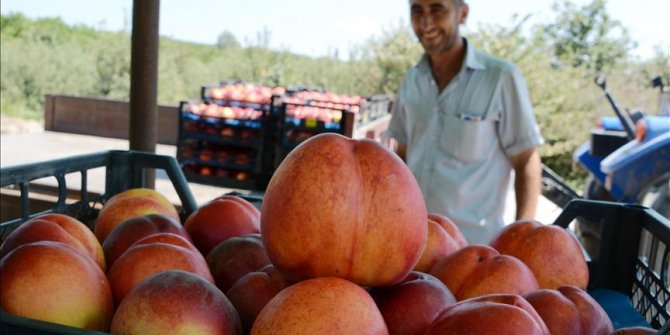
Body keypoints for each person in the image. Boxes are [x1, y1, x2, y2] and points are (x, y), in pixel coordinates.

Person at [385, 0, 544, 244]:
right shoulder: (411, 80)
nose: (426, 22)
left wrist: (522, 240)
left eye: (437, 9)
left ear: (463, 13)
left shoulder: (500, 77)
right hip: (414, 243)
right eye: (417, 10)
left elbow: (526, 161)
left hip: (474, 250)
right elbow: (402, 155)